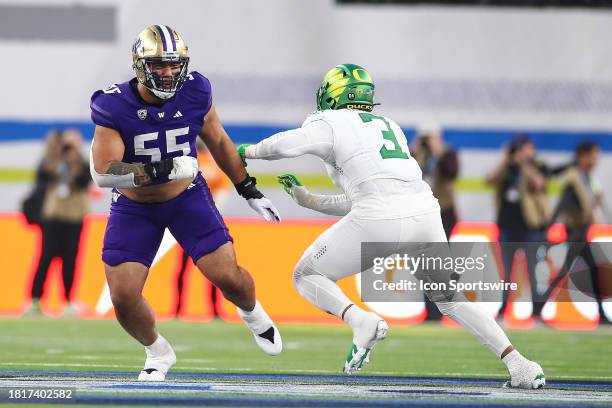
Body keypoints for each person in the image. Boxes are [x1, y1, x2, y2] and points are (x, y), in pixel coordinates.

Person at [239, 64, 545, 388]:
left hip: (380, 219)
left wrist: (245, 151)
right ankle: (520, 364)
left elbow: (285, 146)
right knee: (451, 298)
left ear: (332, 95)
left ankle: (360, 321)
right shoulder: (390, 126)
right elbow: (374, 193)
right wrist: (311, 200)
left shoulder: (329, 121)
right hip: (425, 215)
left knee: (305, 275)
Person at [89, 25, 282, 381]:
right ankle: (158, 352)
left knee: (229, 277)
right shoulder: (114, 104)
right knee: (123, 295)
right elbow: (104, 172)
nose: (167, 72)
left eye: (174, 64)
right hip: (135, 207)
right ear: (140, 65)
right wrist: (160, 168)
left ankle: (253, 313)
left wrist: (247, 187)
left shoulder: (196, 89)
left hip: (186, 198)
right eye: (159, 64)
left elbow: (220, 140)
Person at [26, 129, 91, 317]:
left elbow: (82, 182)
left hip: (75, 217)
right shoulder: (51, 162)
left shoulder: (82, 163)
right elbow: (42, 178)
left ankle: (69, 300)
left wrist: (73, 162)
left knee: (71, 259)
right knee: (45, 258)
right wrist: (59, 158)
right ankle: (35, 300)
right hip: (53, 216)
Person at [485, 134, 550, 319]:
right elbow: (489, 179)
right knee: (506, 272)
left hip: (530, 228)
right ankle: (504, 309)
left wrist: (523, 164)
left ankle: (536, 312)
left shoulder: (538, 165)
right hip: (507, 226)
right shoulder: (506, 167)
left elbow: (539, 183)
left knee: (532, 271)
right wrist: (505, 160)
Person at [546, 141, 609, 323]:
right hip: (576, 234)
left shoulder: (586, 176)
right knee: (566, 271)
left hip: (582, 233)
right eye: (594, 155)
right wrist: (551, 225)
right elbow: (563, 204)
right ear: (583, 155)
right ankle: (537, 308)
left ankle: (602, 314)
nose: (596, 159)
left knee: (592, 271)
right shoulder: (574, 177)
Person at [411, 123, 459, 239]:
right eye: (424, 139)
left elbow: (451, 172)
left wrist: (437, 152)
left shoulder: (447, 154)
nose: (427, 142)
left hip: (443, 210)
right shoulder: (415, 155)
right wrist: (415, 150)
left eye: (430, 138)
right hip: (419, 210)